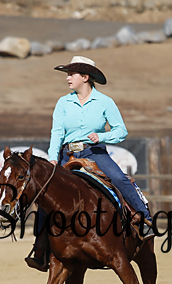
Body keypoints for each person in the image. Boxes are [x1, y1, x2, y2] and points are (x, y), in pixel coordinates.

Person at [25, 56, 154, 271]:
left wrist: (102, 137)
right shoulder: (63, 102)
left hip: (94, 153)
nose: (68, 78)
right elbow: (57, 132)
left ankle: (144, 221)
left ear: (85, 77)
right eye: (67, 74)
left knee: (119, 179)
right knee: (47, 195)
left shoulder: (105, 102)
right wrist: (53, 157)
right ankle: (40, 249)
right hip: (67, 154)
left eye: (71, 74)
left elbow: (121, 130)